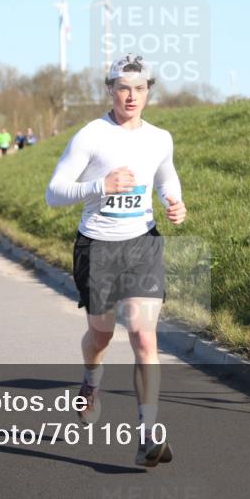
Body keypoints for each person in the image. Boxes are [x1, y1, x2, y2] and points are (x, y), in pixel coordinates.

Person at [45, 54, 186, 467]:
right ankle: (91, 381)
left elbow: (166, 175)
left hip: (142, 244)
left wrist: (173, 200)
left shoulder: (159, 138)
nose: (131, 96)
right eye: (123, 88)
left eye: (139, 89)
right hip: (97, 247)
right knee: (101, 336)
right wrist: (100, 186)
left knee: (144, 336)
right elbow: (54, 192)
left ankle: (147, 434)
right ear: (110, 90)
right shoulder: (91, 135)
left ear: (148, 92)